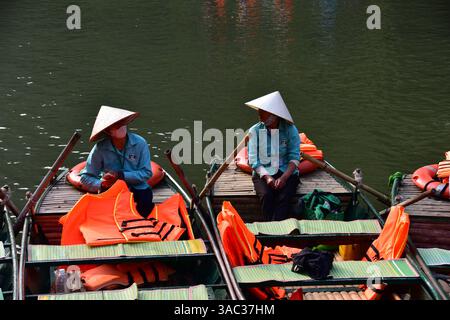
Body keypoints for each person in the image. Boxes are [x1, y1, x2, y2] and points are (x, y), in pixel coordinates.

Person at [80, 105, 154, 217]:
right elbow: (85, 177)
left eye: (122, 123)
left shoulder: (140, 143)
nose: (121, 126)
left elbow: (146, 173)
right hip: (111, 190)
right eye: (116, 125)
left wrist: (121, 175)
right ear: (109, 131)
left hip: (137, 188)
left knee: (146, 201)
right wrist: (103, 183)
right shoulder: (100, 148)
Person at [246, 91, 301, 221]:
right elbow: (253, 160)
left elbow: (294, 156)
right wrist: (268, 177)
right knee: (266, 195)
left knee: (284, 197)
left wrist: (284, 177)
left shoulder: (290, 130)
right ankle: (269, 227)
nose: (259, 114)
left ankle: (278, 229)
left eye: (263, 112)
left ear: (274, 115)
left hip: (285, 171)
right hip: (263, 171)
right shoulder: (254, 130)